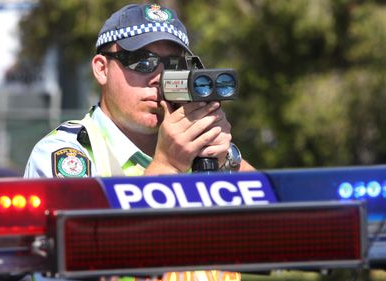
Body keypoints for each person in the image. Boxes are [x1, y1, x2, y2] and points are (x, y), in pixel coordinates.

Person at [24, 3, 254, 281]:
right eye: (141, 61)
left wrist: (228, 159)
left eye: (172, 64)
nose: (158, 77)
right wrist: (167, 166)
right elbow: (85, 258)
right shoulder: (71, 153)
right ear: (101, 69)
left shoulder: (198, 149)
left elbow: (279, 234)